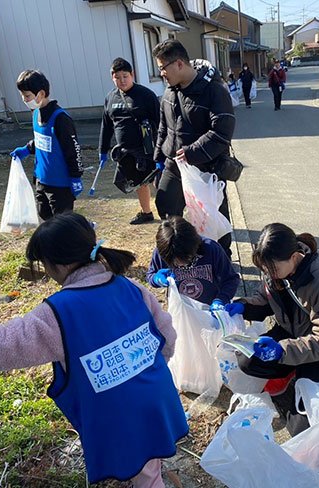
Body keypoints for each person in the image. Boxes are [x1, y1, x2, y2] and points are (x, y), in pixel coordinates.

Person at [0, 213, 188, 487]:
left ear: (59, 265)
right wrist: (140, 372)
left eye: (44, 264)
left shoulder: (58, 313)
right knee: (149, 457)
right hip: (156, 395)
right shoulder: (128, 286)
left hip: (118, 413)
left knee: (145, 469)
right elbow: (167, 336)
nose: (46, 272)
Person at [225, 223, 319, 436]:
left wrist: (282, 351)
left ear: (294, 256)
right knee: (246, 359)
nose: (269, 275)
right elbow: (264, 298)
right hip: (290, 334)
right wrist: (244, 306)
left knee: (302, 428)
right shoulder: (273, 268)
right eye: (265, 270)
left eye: (273, 270)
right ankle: (292, 373)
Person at [152, 39, 236, 256]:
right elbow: (163, 127)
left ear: (179, 64)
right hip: (173, 165)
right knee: (166, 207)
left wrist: (192, 152)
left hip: (206, 168)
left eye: (163, 67)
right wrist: (158, 158)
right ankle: (180, 256)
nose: (161, 73)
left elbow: (222, 132)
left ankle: (220, 259)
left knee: (213, 217)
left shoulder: (214, 90)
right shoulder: (170, 91)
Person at [10, 70, 83, 221]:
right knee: (45, 217)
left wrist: (76, 177)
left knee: (62, 224)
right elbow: (42, 140)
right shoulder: (36, 114)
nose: (24, 100)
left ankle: (83, 230)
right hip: (41, 179)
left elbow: (73, 150)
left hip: (60, 183)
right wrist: (27, 149)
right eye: (22, 96)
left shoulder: (61, 119)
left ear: (41, 94)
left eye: (27, 96)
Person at [99, 58, 160, 225]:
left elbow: (161, 122)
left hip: (148, 148)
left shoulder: (146, 95)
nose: (122, 80)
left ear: (132, 75)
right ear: (112, 78)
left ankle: (169, 212)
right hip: (126, 151)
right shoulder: (110, 98)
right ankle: (146, 213)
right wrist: (102, 150)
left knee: (157, 181)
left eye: (125, 76)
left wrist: (163, 149)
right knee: (138, 182)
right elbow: (106, 126)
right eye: (117, 77)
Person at [147, 216, 240, 310]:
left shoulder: (211, 249)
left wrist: (221, 299)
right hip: (181, 311)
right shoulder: (163, 252)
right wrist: (156, 279)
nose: (181, 265)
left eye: (186, 259)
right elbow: (151, 275)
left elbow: (231, 279)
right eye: (175, 262)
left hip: (210, 309)